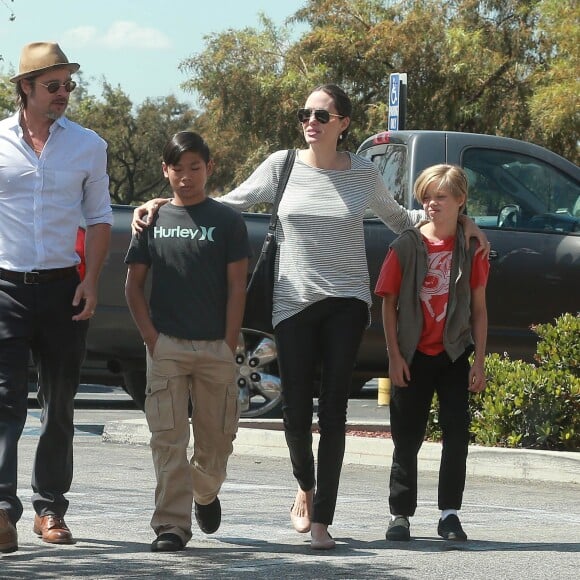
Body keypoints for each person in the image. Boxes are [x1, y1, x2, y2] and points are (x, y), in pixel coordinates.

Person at [131, 85, 489, 550]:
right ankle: (305, 484)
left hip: (346, 302)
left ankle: (322, 519)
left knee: (334, 411)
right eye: (306, 113)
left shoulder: (363, 173)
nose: (311, 121)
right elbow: (224, 201)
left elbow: (405, 220)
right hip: (292, 300)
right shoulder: (282, 166)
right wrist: (161, 204)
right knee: (296, 413)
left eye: (322, 114)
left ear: (343, 123)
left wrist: (464, 221)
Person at [0, 42, 112, 553]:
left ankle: (50, 509)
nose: (63, 93)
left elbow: (99, 218)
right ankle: (2, 512)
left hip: (65, 286)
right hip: (5, 287)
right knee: (4, 404)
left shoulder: (88, 145)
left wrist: (91, 280)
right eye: (53, 85)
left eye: (68, 84)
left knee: (59, 404)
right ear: (25, 88)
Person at [125, 131, 250, 552]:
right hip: (166, 349)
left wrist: (228, 343)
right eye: (177, 168)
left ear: (209, 168)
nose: (186, 176)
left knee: (217, 444)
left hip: (216, 348)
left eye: (195, 167)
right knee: (168, 440)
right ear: (166, 171)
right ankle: (171, 526)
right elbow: (133, 287)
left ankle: (205, 492)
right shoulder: (151, 219)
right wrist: (152, 339)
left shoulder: (229, 221)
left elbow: (238, 288)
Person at [375, 164, 489, 543]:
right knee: (406, 437)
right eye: (426, 196)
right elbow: (387, 305)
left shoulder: (471, 248)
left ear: (460, 201)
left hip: (454, 354)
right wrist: (394, 356)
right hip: (411, 354)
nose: (431, 204)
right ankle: (400, 514)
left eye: (441, 196)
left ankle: (449, 514)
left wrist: (481, 361)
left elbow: (478, 308)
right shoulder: (406, 245)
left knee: (457, 435)